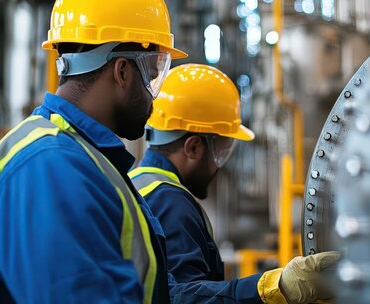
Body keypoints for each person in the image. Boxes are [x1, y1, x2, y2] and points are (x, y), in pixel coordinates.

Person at [0, 0, 186, 303]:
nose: (154, 95)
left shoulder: (80, 160)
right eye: (152, 75)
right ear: (122, 72)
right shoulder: (52, 168)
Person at [130, 64, 339, 304]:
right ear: (193, 147)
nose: (219, 164)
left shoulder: (137, 183)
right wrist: (277, 287)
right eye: (221, 151)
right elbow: (185, 299)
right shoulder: (170, 201)